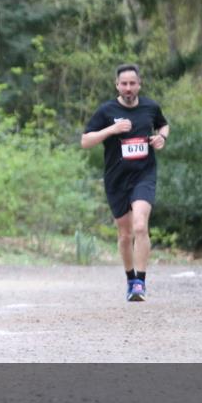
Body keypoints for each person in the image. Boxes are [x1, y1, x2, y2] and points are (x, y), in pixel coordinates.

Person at [81, 64, 169, 301]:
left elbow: (163, 124)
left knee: (140, 226)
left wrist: (161, 137)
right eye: (124, 84)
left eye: (132, 83)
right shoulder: (106, 111)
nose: (128, 88)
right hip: (116, 179)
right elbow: (85, 141)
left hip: (144, 175)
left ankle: (140, 282)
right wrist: (112, 129)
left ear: (139, 84)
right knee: (125, 234)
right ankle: (130, 279)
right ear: (117, 85)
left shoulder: (150, 107)